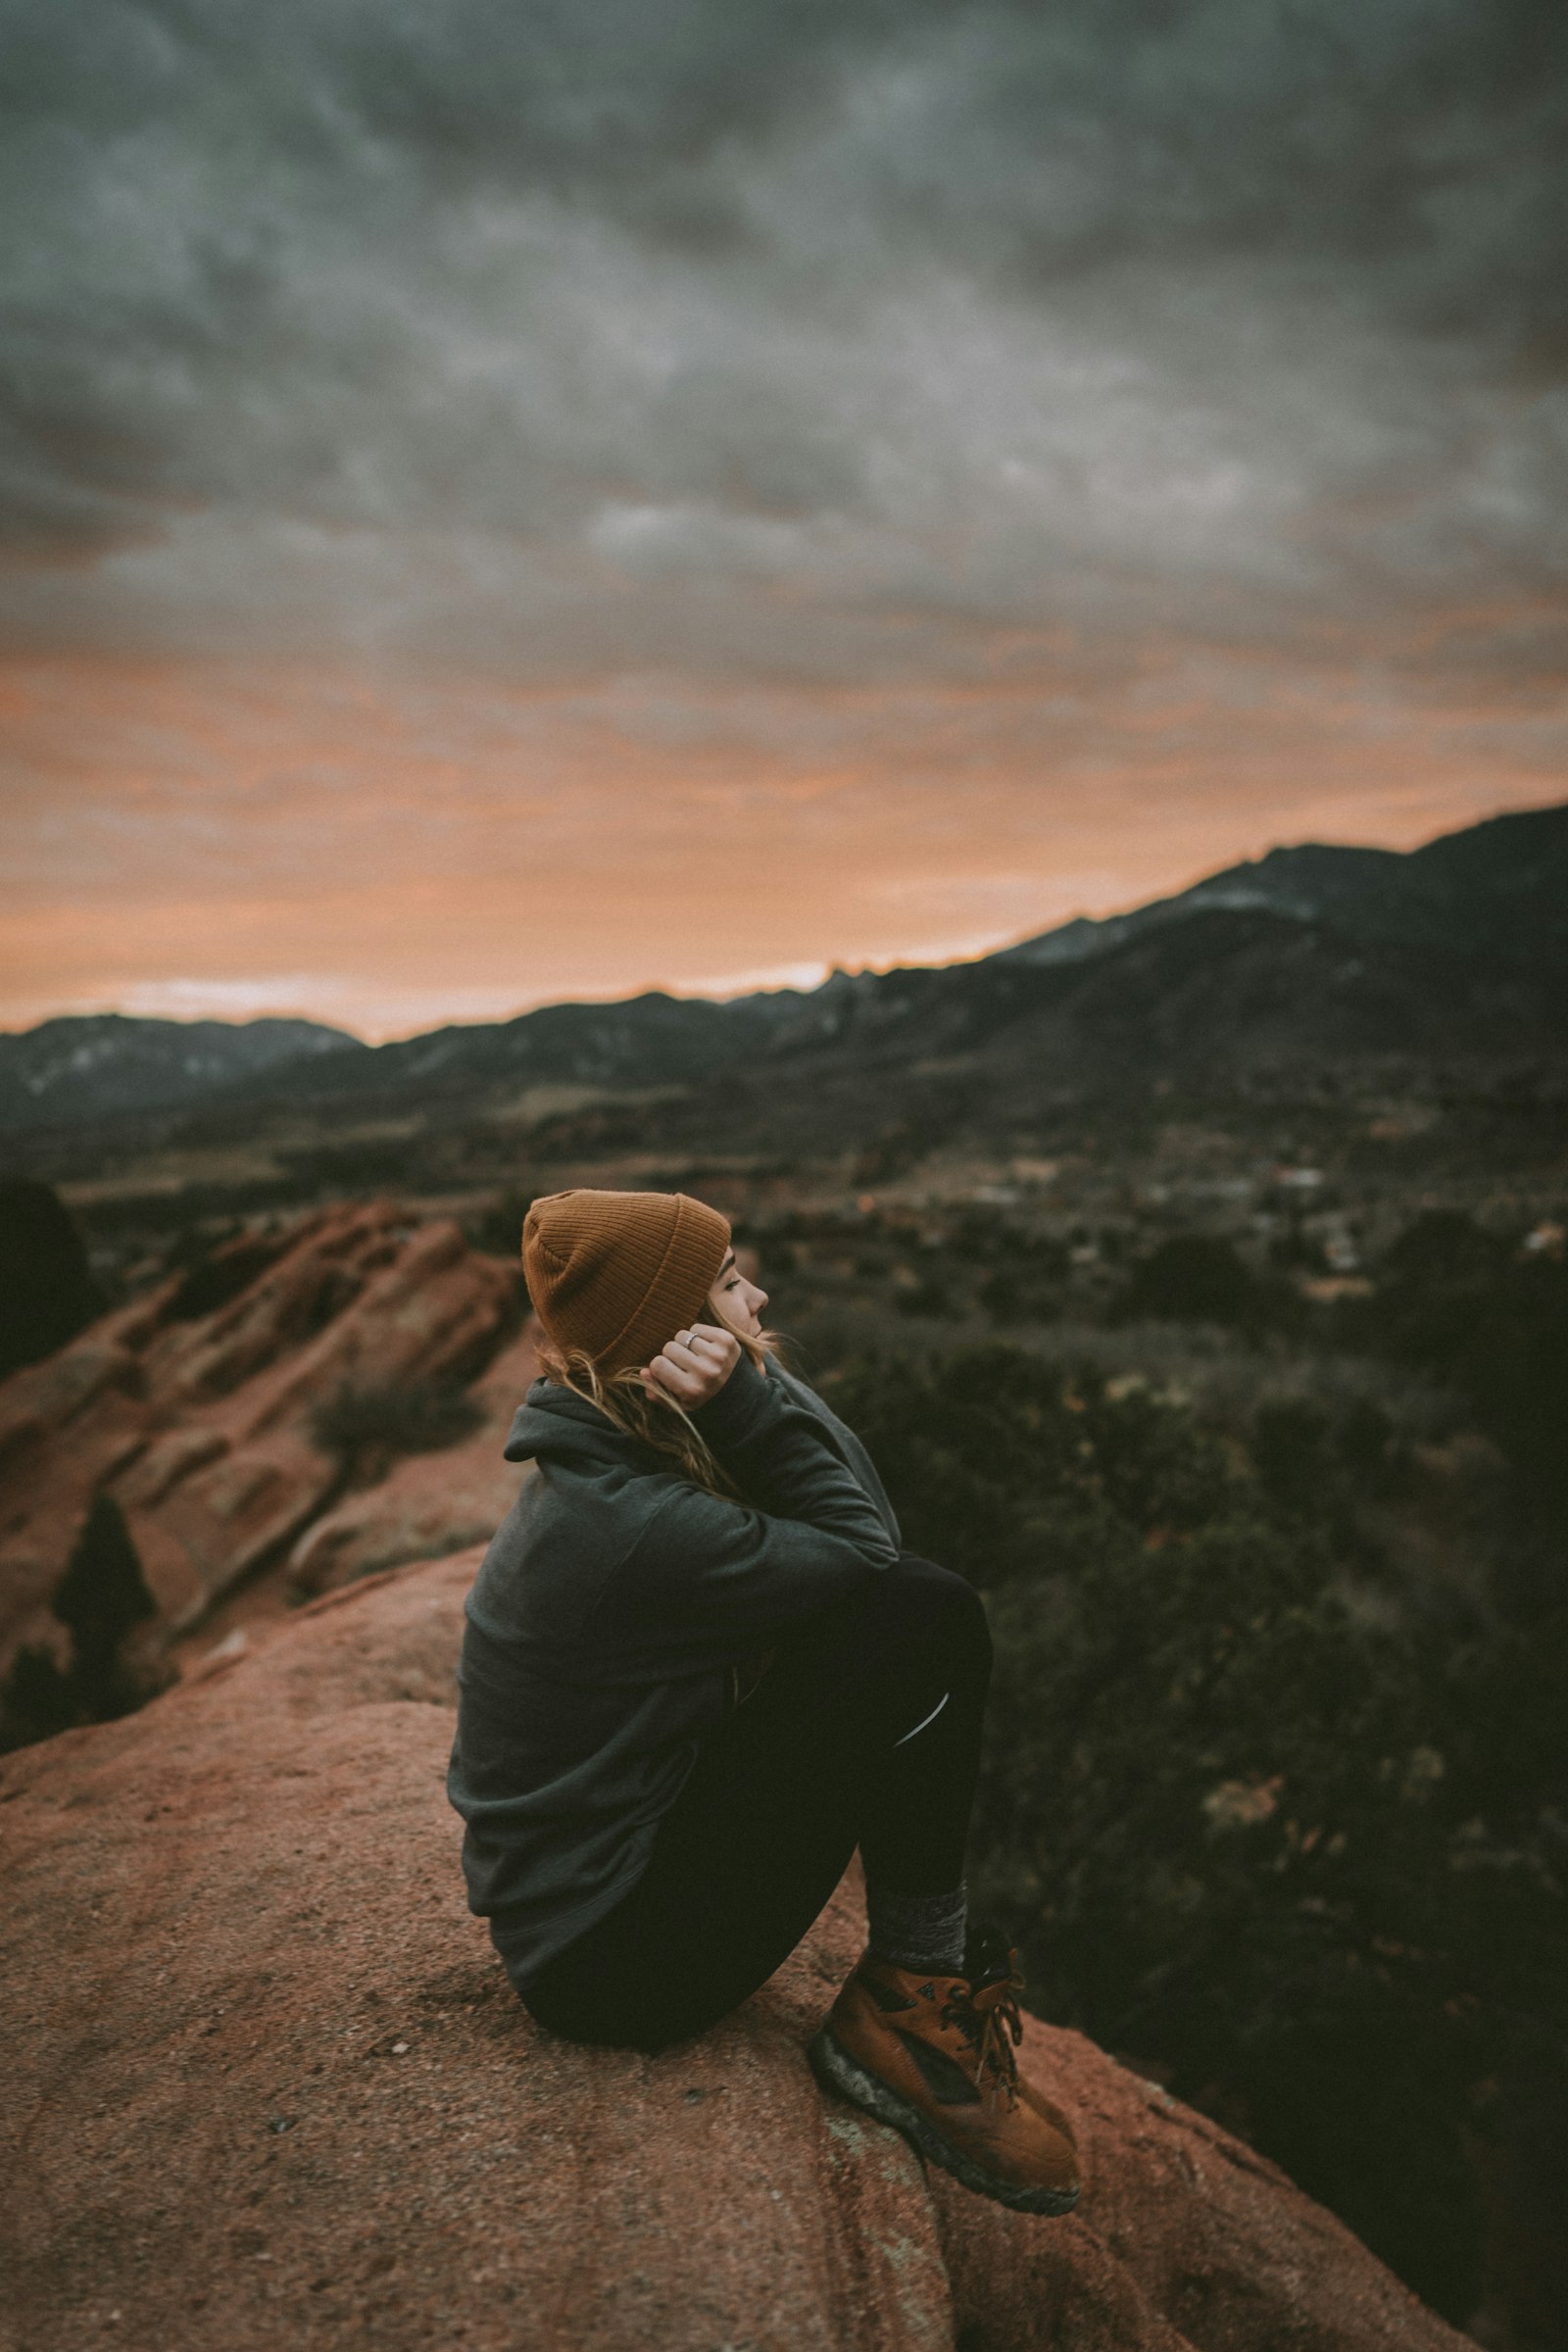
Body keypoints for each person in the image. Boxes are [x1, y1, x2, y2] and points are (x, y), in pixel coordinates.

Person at [447, 1186, 1080, 2216]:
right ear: (676, 1342)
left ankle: (917, 1989)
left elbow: (864, 1535)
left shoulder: (609, 1460)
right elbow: (877, 1559)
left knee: (901, 1613)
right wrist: (748, 1399)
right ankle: (910, 2007)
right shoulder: (630, 1525)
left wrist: (747, 1391)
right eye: (732, 1284)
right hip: (616, 1959)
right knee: (926, 1614)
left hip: (600, 1908)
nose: (761, 1294)